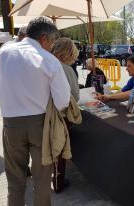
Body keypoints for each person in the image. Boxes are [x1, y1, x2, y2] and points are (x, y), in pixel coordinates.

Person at [0, 17, 70, 206]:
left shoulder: (4, 51)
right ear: (44, 38)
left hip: (10, 124)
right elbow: (62, 102)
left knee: (15, 181)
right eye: (52, 42)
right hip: (40, 125)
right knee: (42, 180)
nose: (52, 46)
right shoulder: (50, 60)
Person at [51, 37, 79, 193]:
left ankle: (51, 177)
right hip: (61, 116)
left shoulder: (46, 64)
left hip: (42, 115)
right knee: (60, 150)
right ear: (69, 52)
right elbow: (75, 95)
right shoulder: (67, 69)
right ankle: (58, 182)